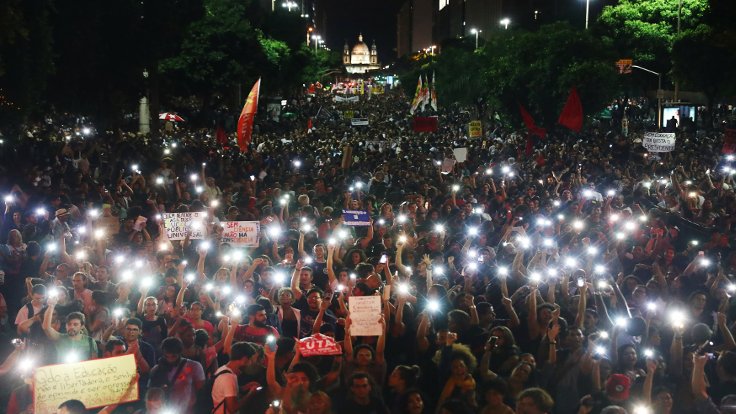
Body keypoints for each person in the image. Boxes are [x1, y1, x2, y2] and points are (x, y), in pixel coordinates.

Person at [148, 337, 205, 411]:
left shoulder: (194, 366)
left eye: (173, 356)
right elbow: (151, 393)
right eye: (167, 356)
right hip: (165, 409)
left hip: (188, 410)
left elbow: (201, 391)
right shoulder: (156, 370)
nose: (170, 359)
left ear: (180, 353)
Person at [43, 295, 98, 362]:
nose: (72, 327)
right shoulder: (59, 338)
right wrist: (51, 306)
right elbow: (46, 327)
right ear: (66, 325)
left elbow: (94, 361)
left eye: (75, 324)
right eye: (69, 324)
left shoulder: (90, 341)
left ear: (82, 326)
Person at [211, 341, 260, 413]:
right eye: (251, 360)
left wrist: (244, 387)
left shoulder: (223, 369)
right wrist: (250, 394)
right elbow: (233, 408)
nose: (251, 364)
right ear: (244, 359)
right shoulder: (228, 378)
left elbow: (226, 393)